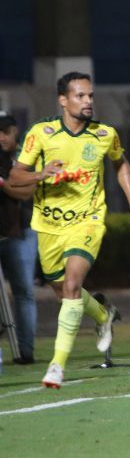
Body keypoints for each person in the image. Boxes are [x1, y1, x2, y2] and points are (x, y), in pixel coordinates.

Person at [8, 71, 130, 389]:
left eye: (90, 96)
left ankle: (57, 366)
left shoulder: (103, 134)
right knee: (62, 292)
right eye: (80, 96)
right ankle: (103, 315)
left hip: (88, 221)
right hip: (48, 226)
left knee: (72, 285)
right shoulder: (41, 134)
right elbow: (16, 177)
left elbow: (120, 163)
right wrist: (41, 174)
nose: (88, 102)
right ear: (63, 100)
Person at [0, 114, 39, 364]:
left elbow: (27, 192)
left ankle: (26, 351)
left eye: (5, 132)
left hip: (23, 232)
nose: (1, 137)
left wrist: (3, 185)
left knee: (24, 291)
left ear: (15, 131)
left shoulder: (28, 157)